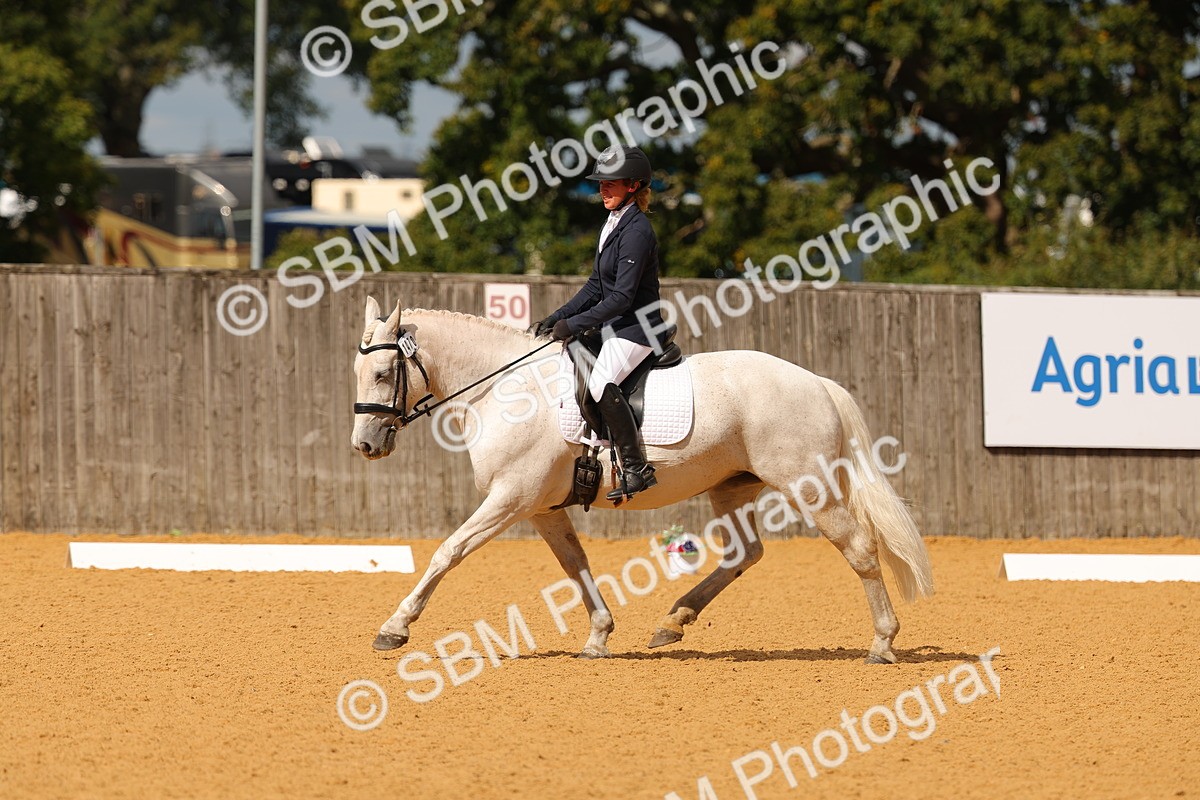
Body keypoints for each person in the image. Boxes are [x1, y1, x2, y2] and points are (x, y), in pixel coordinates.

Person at [533, 145, 668, 501]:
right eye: (601, 182)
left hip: (638, 328)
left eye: (611, 182)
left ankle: (636, 469)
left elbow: (621, 297)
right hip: (616, 325)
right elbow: (596, 286)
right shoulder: (612, 223)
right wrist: (558, 316)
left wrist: (574, 324)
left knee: (600, 382)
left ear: (633, 185)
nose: (602, 189)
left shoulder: (637, 231)